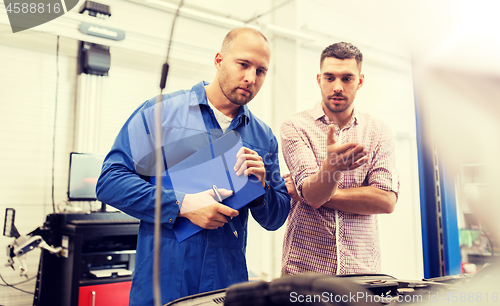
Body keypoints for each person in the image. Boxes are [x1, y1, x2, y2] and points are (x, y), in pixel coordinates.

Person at [96, 27, 290, 305]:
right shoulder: (160, 113)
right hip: (162, 283)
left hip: (225, 287)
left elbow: (276, 218)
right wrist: (183, 205)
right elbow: (110, 182)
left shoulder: (263, 136)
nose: (251, 78)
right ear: (219, 60)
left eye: (261, 71)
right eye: (243, 64)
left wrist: (262, 190)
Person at [280, 42, 399, 276]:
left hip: (363, 274)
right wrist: (331, 170)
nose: (337, 87)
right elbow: (313, 196)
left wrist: (316, 186)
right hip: (304, 273)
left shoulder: (379, 131)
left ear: (360, 81)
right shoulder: (294, 126)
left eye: (347, 78)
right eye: (330, 77)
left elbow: (385, 201)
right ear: (319, 79)